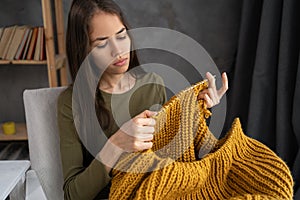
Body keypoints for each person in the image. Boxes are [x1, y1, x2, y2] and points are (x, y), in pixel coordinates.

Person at [57, 0, 228, 199]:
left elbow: (174, 155)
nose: (118, 50)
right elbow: (72, 194)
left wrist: (196, 111)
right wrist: (116, 145)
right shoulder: (71, 103)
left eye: (121, 36)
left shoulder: (153, 84)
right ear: (84, 49)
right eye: (102, 43)